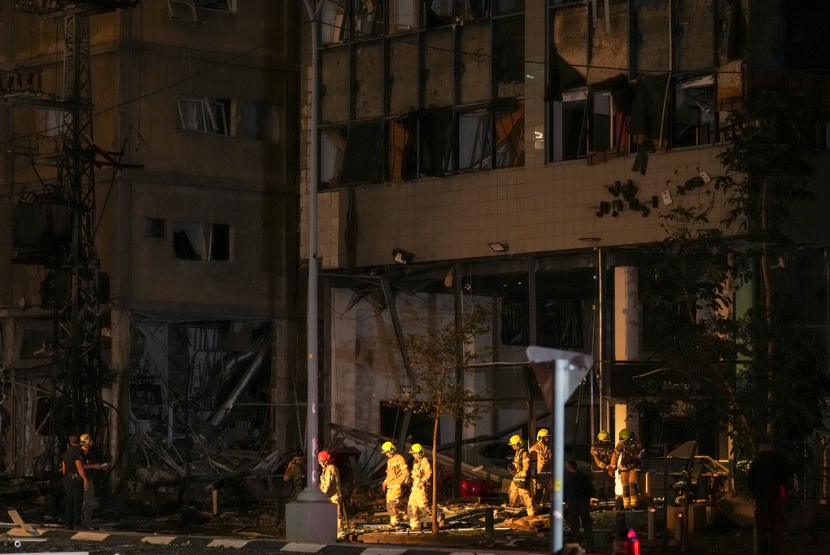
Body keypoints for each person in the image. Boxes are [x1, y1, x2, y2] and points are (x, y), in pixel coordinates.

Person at [747, 440, 792, 555]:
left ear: (762, 448)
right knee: (776, 523)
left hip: (762, 495)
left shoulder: (757, 461)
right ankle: (775, 549)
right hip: (777, 493)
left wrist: (755, 492)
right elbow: (787, 476)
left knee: (761, 524)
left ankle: (762, 550)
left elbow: (750, 480)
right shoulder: (780, 459)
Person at [609, 428, 644, 509]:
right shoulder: (621, 444)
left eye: (624, 440)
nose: (623, 442)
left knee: (633, 485)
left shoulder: (637, 444)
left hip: (634, 467)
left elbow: (643, 454)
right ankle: (626, 505)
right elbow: (615, 455)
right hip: (624, 467)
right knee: (625, 485)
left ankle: (634, 504)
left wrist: (639, 455)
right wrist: (612, 467)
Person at [564, 459, 596, 550]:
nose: (566, 468)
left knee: (574, 525)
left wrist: (566, 501)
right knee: (587, 524)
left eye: (567, 466)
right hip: (583, 502)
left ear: (570, 467)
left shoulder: (568, 478)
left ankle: (577, 545)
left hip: (573, 503)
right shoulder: (584, 477)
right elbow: (591, 489)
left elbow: (565, 490)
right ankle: (590, 545)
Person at [61, 435, 89, 530]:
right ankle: (77, 523)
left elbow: (64, 469)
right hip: (76, 479)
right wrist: (85, 479)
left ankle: (68, 524)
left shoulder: (65, 454)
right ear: (79, 442)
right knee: (77, 502)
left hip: (68, 479)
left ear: (70, 442)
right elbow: (79, 467)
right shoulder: (77, 453)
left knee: (69, 502)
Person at [318, 450, 348, 537]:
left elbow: (327, 484)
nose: (320, 464)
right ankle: (332, 532)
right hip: (329, 496)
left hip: (333, 496)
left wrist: (321, 495)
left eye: (321, 462)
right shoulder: (327, 469)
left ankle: (340, 533)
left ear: (325, 461)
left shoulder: (330, 469)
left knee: (336, 516)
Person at [381, 441, 410, 528]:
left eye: (387, 452)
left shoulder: (399, 458)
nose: (386, 454)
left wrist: (406, 479)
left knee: (394, 502)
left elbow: (405, 470)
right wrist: (385, 482)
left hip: (397, 484)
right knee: (389, 504)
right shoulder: (389, 461)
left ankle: (405, 510)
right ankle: (394, 522)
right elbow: (389, 474)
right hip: (390, 485)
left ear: (391, 450)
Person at [79, 434, 106, 528]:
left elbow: (91, 465)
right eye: (90, 440)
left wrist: (100, 467)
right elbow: (80, 466)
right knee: (85, 501)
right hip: (84, 480)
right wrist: (93, 466)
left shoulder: (90, 454)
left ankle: (87, 520)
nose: (92, 443)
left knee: (90, 502)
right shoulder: (80, 454)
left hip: (90, 479)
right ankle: (82, 520)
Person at [507, 435, 535, 517]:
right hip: (516, 478)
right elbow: (517, 465)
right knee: (512, 495)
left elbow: (526, 467)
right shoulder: (517, 452)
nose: (512, 446)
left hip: (522, 479)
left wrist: (523, 478)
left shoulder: (524, 453)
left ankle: (531, 515)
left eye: (513, 445)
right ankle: (509, 513)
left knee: (526, 497)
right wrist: (512, 469)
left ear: (518, 444)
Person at [406, 443, 432, 531]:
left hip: (421, 489)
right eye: (413, 453)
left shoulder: (424, 461)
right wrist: (410, 479)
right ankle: (415, 526)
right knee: (411, 507)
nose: (414, 455)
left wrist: (423, 481)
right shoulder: (415, 463)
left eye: (415, 453)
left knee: (423, 508)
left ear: (420, 452)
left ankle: (437, 518)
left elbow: (429, 472)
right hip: (414, 489)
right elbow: (414, 474)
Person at [590, 430, 615, 507]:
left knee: (609, 486)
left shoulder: (610, 447)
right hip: (598, 471)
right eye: (604, 441)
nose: (605, 442)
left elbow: (613, 457)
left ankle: (611, 505)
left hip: (606, 470)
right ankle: (602, 505)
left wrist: (612, 466)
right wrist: (605, 466)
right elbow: (596, 459)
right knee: (600, 487)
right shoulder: (594, 447)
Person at [530, 428, 552, 504]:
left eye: (548, 437)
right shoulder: (534, 448)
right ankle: (536, 507)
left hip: (547, 476)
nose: (547, 439)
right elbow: (532, 463)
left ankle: (544, 506)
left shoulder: (548, 448)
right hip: (538, 476)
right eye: (546, 437)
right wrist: (533, 474)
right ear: (540, 438)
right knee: (537, 493)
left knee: (548, 491)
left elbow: (550, 461)